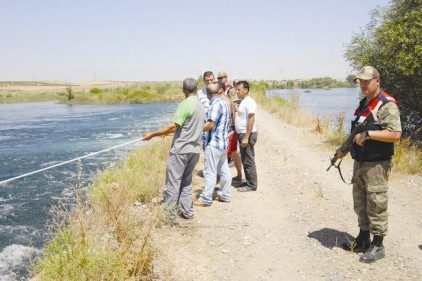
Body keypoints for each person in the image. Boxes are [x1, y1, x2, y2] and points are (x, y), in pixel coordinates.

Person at [336, 66, 402, 263]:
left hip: (377, 164)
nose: (363, 85)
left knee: (376, 204)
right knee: (360, 203)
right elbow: (355, 134)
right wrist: (343, 150)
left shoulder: (386, 105)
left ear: (377, 81)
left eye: (367, 81)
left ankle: (378, 244)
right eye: (360, 81)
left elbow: (395, 135)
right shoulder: (365, 104)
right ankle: (363, 238)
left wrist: (369, 134)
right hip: (361, 162)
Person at [142, 78, 205, 220]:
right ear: (196, 89)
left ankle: (169, 216)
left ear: (183, 90)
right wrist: (166, 133)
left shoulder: (184, 104)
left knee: (173, 183)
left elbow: (173, 126)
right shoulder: (201, 106)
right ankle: (187, 212)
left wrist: (153, 134)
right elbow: (188, 127)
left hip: (181, 150)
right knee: (186, 182)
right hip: (194, 150)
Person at [194, 82, 232, 206]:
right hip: (223, 143)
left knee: (210, 172)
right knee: (224, 170)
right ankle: (225, 195)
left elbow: (211, 124)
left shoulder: (215, 105)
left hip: (214, 143)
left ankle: (205, 199)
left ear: (207, 94)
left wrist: (195, 129)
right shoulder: (225, 103)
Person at [234, 80, 258, 192]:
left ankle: (252, 185)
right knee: (244, 159)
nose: (237, 92)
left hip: (247, 134)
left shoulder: (249, 102)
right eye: (236, 90)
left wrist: (246, 137)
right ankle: (248, 181)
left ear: (246, 90)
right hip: (242, 133)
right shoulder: (243, 101)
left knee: (248, 160)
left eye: (239, 90)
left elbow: (252, 119)